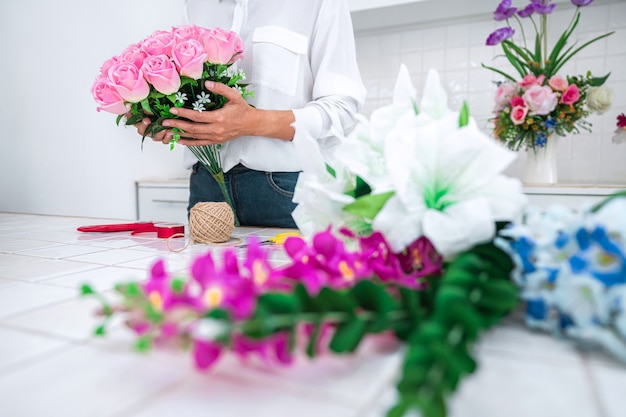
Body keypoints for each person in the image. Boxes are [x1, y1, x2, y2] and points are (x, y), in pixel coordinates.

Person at [136, 0, 366, 228]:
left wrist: (253, 122)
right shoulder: (195, 5)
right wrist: (165, 120)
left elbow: (341, 109)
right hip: (206, 188)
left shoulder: (320, 4)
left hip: (287, 191)